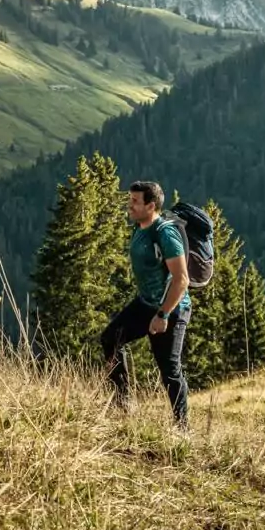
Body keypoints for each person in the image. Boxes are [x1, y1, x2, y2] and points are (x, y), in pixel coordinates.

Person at [102, 179, 191, 428]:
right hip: (145, 303)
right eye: (129, 199)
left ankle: (181, 429)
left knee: (169, 370)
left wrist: (163, 314)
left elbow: (181, 279)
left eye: (134, 201)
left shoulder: (165, 233)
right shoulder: (140, 227)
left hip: (171, 308)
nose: (129, 205)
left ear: (151, 205)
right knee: (110, 339)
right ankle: (123, 404)